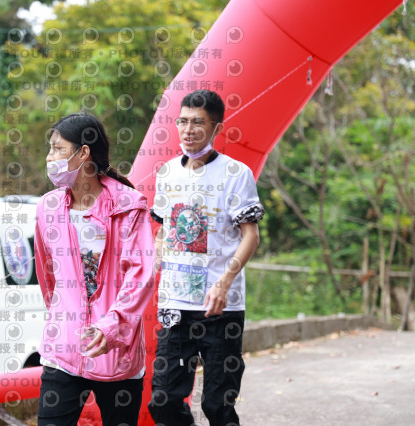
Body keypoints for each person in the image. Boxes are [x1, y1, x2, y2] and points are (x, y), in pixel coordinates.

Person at [148, 90, 264, 426]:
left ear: (217, 127)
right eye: (182, 121)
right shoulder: (167, 173)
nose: (188, 130)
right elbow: (164, 230)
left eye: (198, 122)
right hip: (175, 305)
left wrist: (224, 284)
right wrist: (155, 260)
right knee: (163, 400)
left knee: (218, 406)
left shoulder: (236, 173)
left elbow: (251, 236)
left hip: (221, 309)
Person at [34, 112, 155, 426]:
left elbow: (140, 276)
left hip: (116, 353)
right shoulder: (48, 208)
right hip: (63, 351)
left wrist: (110, 327)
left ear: (83, 152)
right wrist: (61, 317)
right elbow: (48, 275)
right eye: (50, 149)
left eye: (57, 149)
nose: (49, 157)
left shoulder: (128, 205)